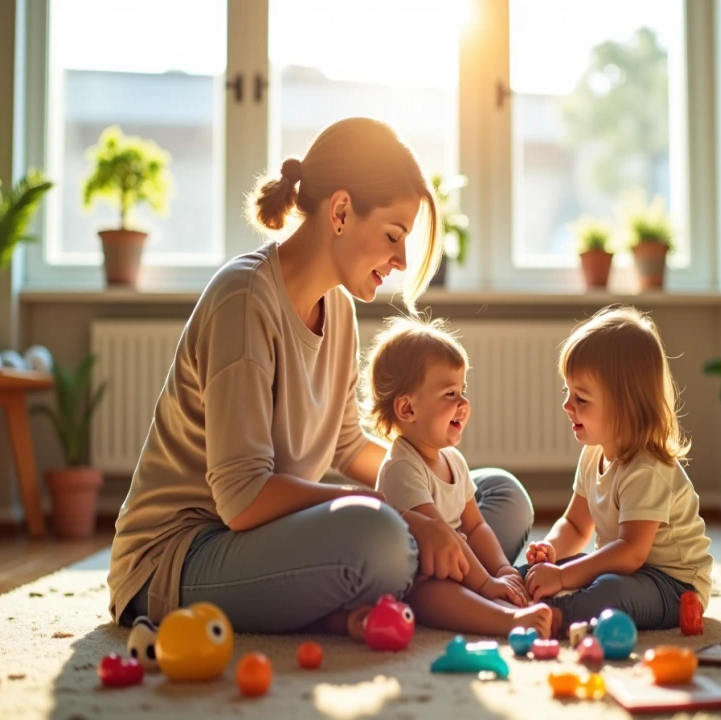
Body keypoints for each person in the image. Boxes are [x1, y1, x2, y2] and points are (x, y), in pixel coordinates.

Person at [106, 118, 534, 637]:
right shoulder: (243, 301)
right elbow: (241, 499)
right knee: (382, 536)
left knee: (500, 495)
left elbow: (347, 446)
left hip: (265, 539)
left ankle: (417, 584)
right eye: (393, 236)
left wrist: (434, 483)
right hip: (182, 555)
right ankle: (421, 583)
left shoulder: (339, 309)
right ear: (341, 211)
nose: (401, 260)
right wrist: (400, 514)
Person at [520, 306, 712, 635]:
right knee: (534, 573)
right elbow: (575, 525)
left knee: (609, 591)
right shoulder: (592, 454)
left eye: (581, 398)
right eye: (568, 392)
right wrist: (551, 552)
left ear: (626, 407)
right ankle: (517, 593)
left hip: (674, 586)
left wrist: (563, 578)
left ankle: (558, 616)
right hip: (625, 569)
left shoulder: (647, 468)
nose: (567, 405)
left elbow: (631, 552)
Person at [366, 316, 555, 638]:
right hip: (418, 577)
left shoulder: (453, 460)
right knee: (432, 592)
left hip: (454, 562)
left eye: (463, 390)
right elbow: (441, 535)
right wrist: (485, 583)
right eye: (450, 393)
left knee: (479, 571)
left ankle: (493, 596)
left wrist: (502, 569)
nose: (464, 403)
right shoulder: (401, 468)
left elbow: (475, 525)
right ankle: (506, 620)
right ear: (408, 409)